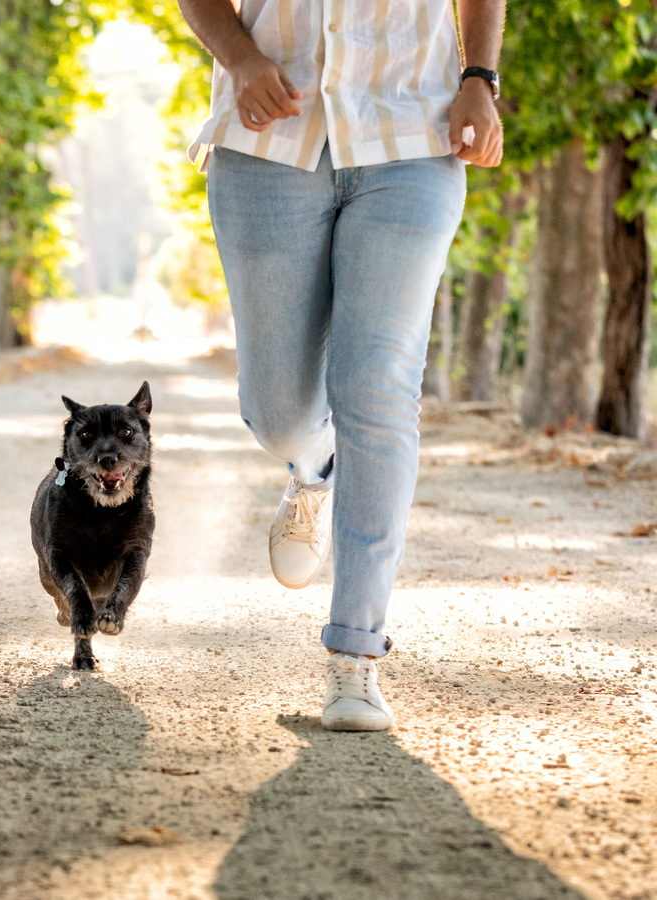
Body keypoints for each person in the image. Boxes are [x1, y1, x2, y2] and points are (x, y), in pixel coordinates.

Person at [177, 0, 504, 730]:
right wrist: (240, 58)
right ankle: (310, 466)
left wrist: (480, 75)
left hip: (413, 135)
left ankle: (355, 658)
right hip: (269, 139)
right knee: (281, 412)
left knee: (378, 387)